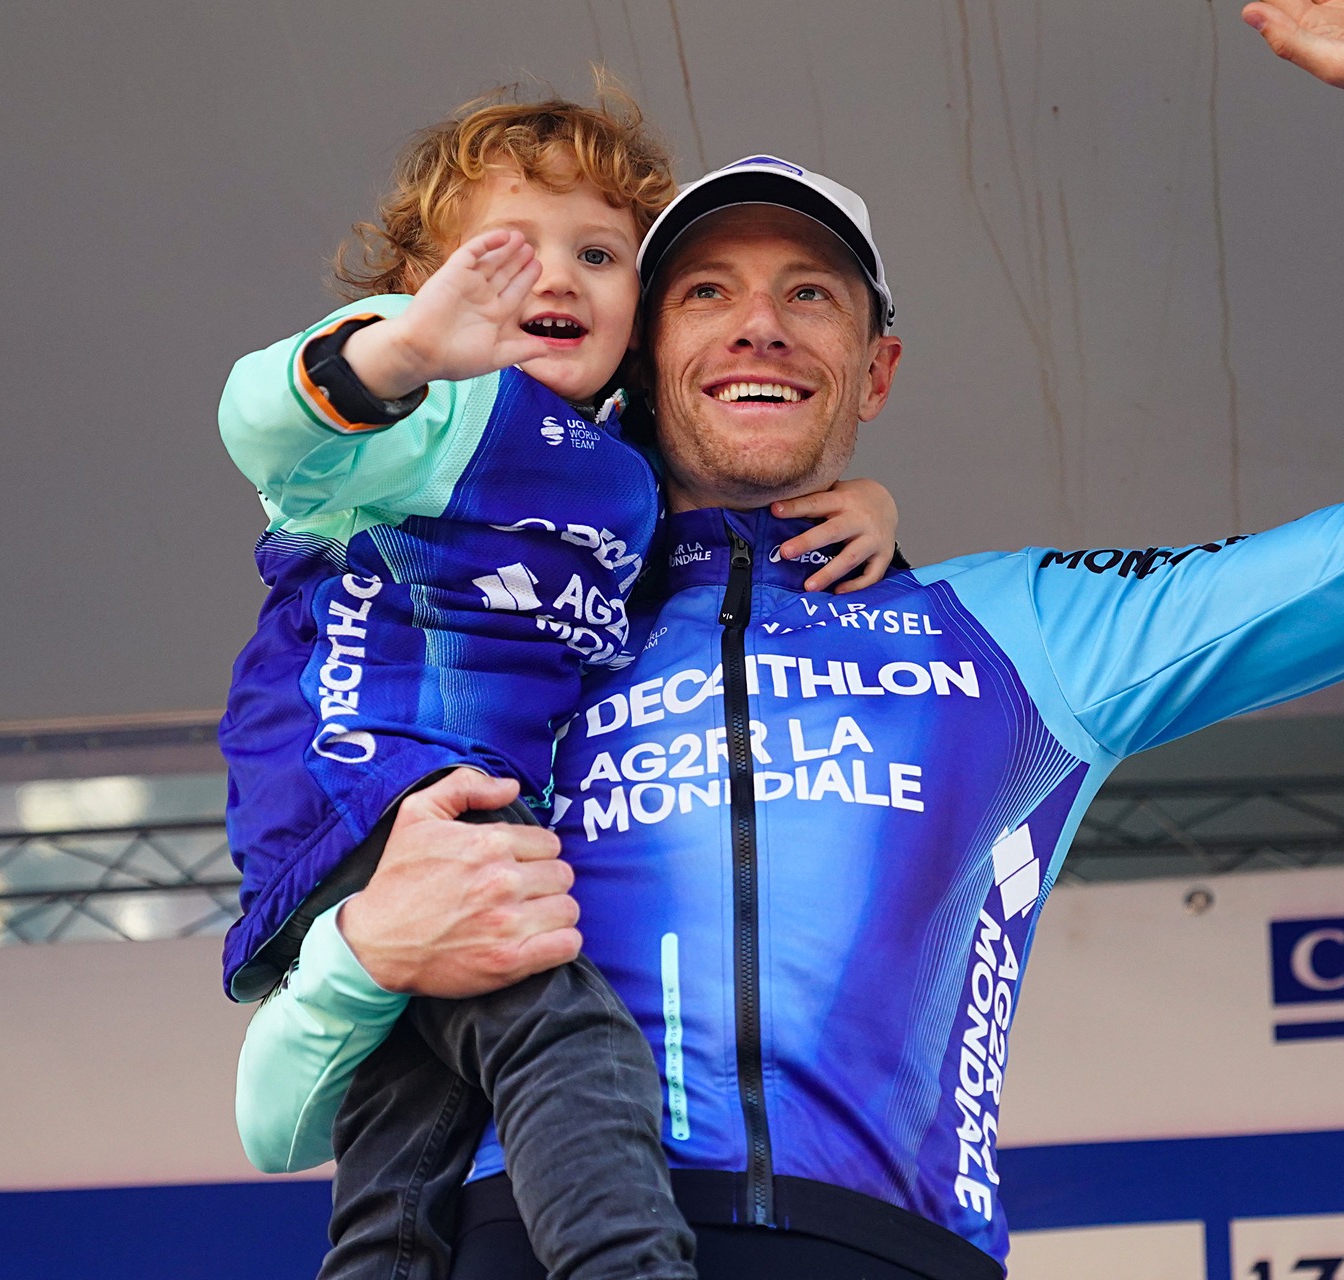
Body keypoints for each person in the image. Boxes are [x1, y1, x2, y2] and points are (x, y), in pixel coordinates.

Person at [240, 2, 1344, 1276]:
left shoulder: (1022, 633)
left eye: (811, 293)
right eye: (705, 291)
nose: (760, 323)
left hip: (884, 1249)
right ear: (641, 353)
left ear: (876, 371)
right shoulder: (511, 616)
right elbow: (278, 1121)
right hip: (538, 1240)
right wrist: (363, 953)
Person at [217, 86, 903, 1280]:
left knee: (407, 1130)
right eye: (507, 250)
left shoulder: (615, 464)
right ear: (425, 281)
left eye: (599, 255)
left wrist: (874, 505)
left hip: (459, 825)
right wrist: (404, 346)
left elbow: (717, 490)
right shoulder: (425, 413)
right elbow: (266, 426)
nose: (557, 277)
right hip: (377, 795)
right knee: (575, 1042)